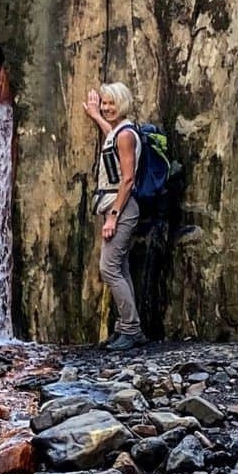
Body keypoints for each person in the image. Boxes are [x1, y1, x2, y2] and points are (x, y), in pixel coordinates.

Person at [84, 82, 145, 351]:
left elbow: (128, 179)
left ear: (124, 103)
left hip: (122, 208)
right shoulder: (120, 132)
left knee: (108, 268)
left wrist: (113, 216)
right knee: (120, 268)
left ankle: (131, 329)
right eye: (105, 103)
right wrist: (96, 116)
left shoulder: (126, 134)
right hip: (116, 207)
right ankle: (127, 328)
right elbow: (112, 139)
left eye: (112, 104)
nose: (108, 108)